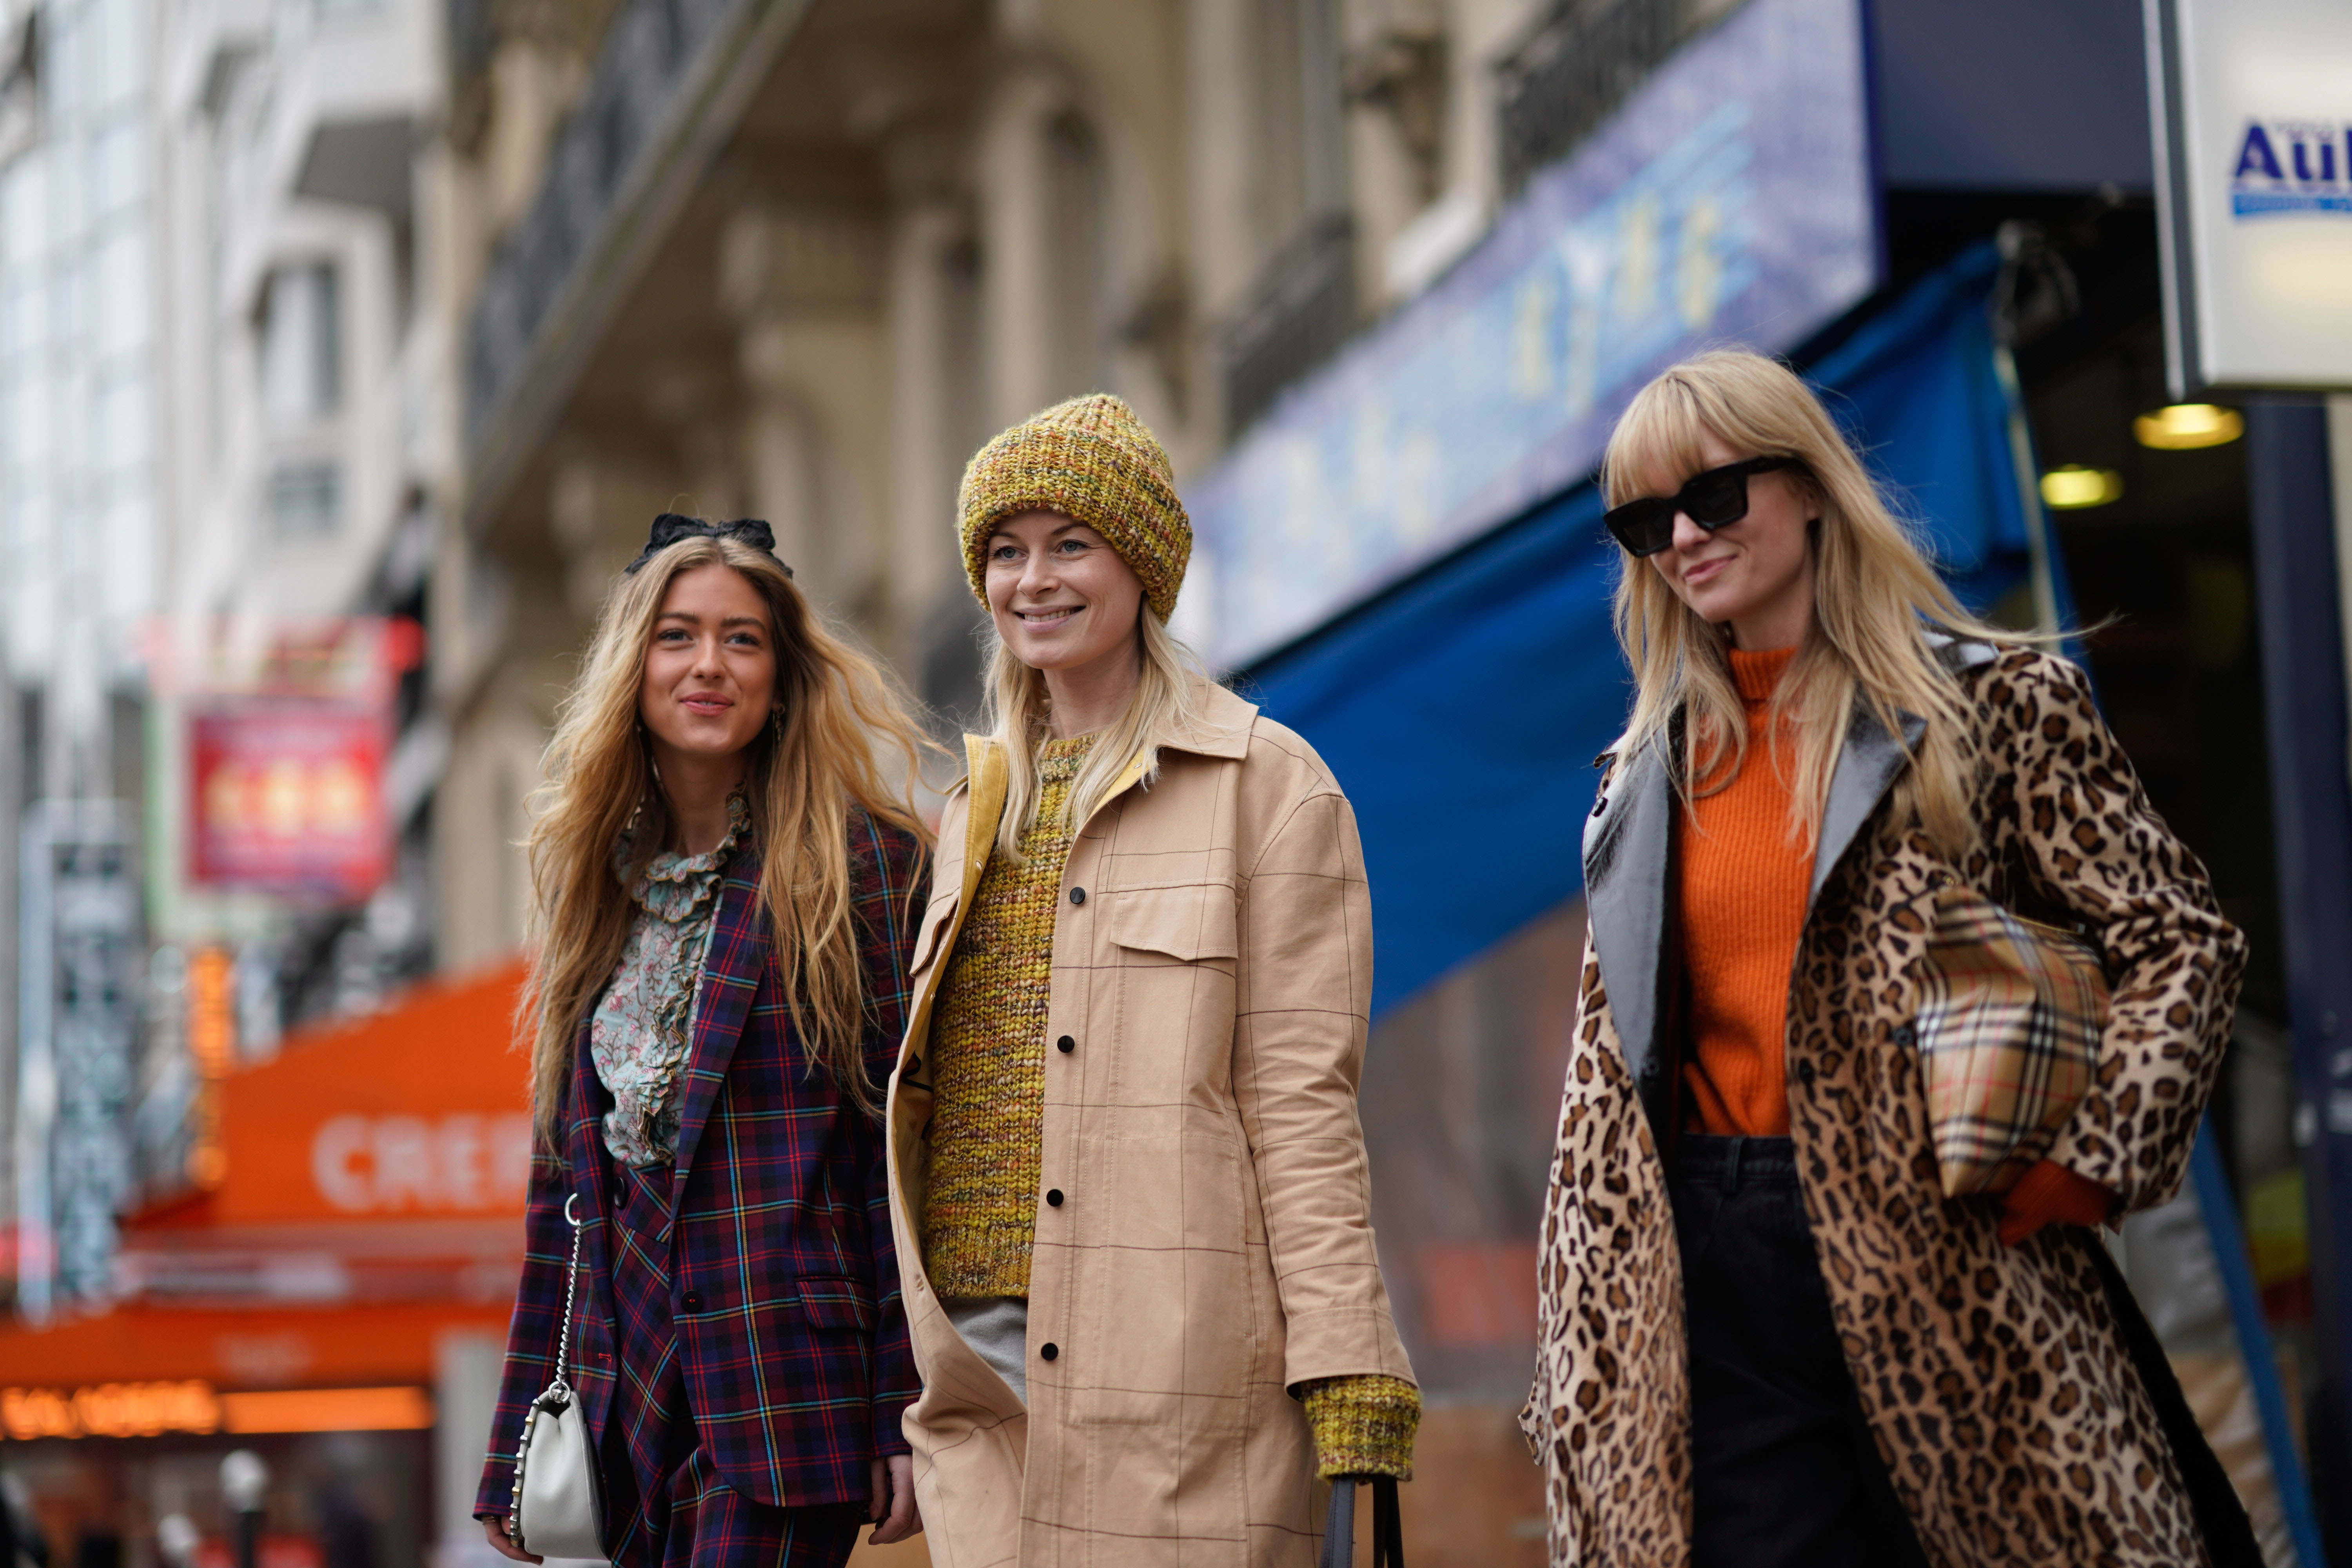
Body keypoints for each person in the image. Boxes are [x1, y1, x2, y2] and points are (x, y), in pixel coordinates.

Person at [1521, 351, 2253, 1566]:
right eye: (1647, 522)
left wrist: (2095, 1162)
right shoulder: (1638, 778)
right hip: (1708, 1259)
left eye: (1712, 498)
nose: (1684, 542)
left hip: (1951, 1244)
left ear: (1808, 485)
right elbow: (1612, 1074)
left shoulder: (1994, 706)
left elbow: (2181, 939)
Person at [884, 394, 1419, 1563]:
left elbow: (1303, 1105)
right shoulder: (971, 813)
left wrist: (1348, 1360)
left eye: (1071, 544)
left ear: (1140, 566)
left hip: (1177, 1370)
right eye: (1007, 553)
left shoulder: (1270, 785)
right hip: (978, 1377)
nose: (1035, 581)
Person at [475, 517, 931, 1568]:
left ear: (783, 674)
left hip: (789, 1388)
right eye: (678, 636)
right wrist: (514, 1439)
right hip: (619, 1387)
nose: (709, 666)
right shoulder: (596, 888)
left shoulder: (862, 867)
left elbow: (894, 1163)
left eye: (743, 639)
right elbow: (565, 1202)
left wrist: (902, 1404)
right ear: (634, 666)